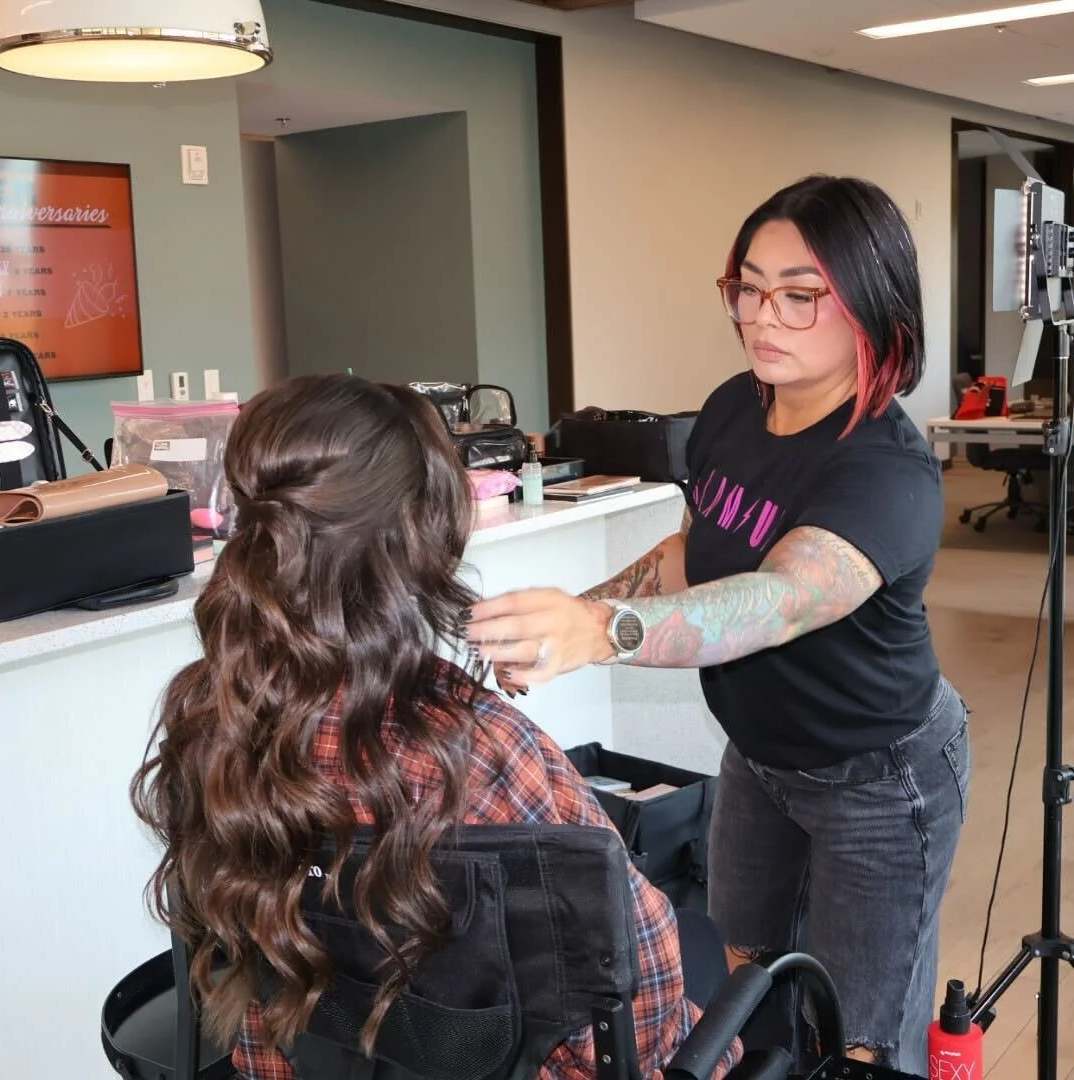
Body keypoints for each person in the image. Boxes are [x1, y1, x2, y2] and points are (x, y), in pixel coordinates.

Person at [465, 174, 970, 1076]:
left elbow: (776, 602)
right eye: (748, 288)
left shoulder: (886, 470)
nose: (762, 317)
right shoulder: (737, 406)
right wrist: (571, 619)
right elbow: (694, 550)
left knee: (859, 1038)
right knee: (748, 985)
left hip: (879, 776)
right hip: (760, 757)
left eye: (800, 295)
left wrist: (603, 630)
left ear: (873, 303)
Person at [129, 374, 741, 1080]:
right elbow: (639, 986)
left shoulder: (210, 721)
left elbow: (256, 966)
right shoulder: (473, 752)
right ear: (421, 541)